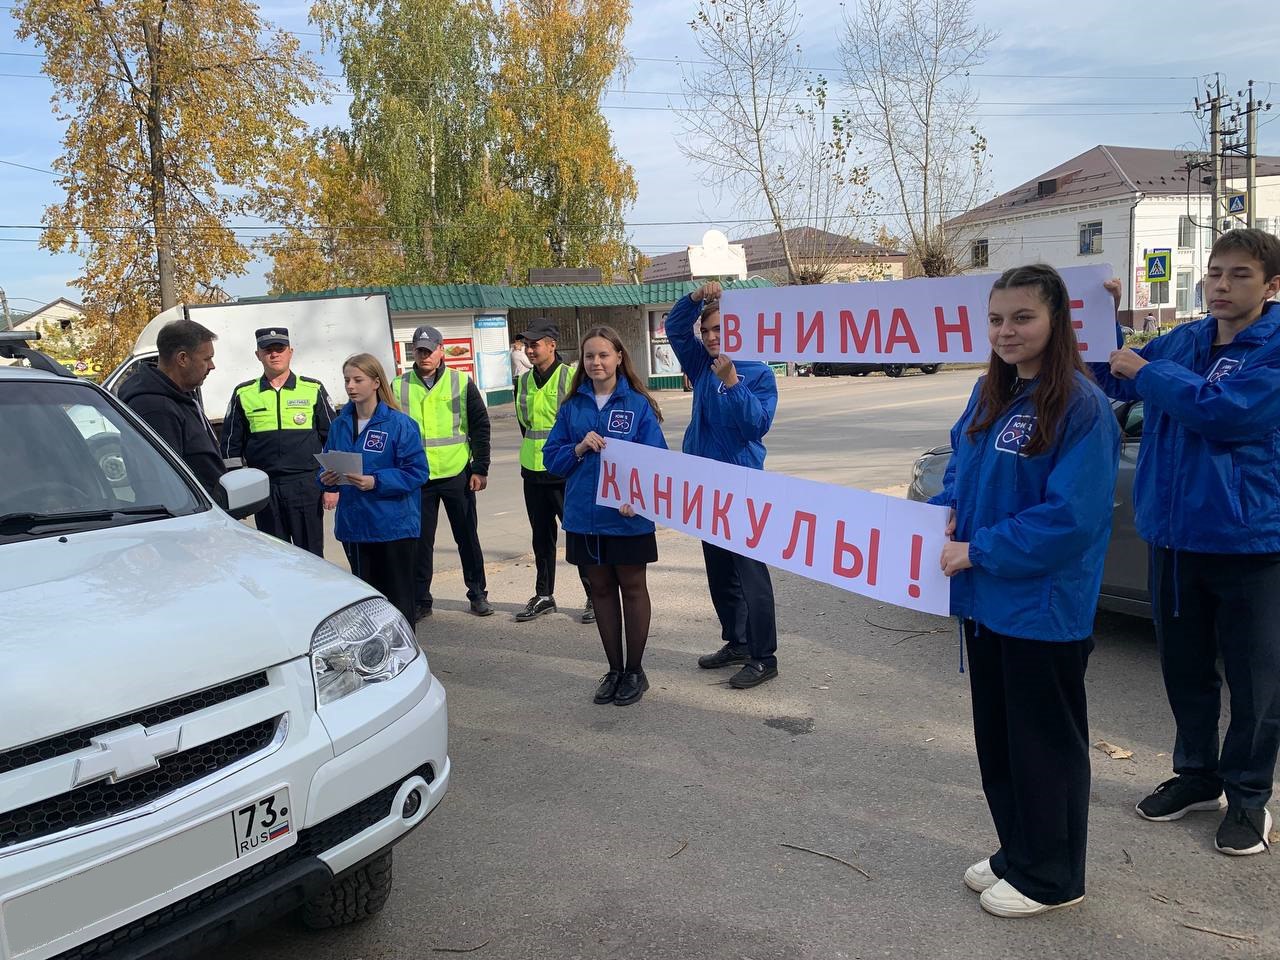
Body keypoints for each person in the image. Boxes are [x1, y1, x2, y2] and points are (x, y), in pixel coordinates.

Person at [933, 263, 1120, 918]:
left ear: (1058, 321)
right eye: (995, 319)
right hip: (987, 603)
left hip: (1043, 610)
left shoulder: (1081, 405)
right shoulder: (993, 393)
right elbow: (961, 461)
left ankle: (1055, 876)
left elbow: (1070, 519)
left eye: (1022, 317)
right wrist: (946, 510)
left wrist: (977, 549)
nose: (1006, 331)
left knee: (1046, 748)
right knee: (1002, 742)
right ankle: (1020, 849)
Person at [1093, 228, 1280, 856]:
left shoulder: (1274, 347)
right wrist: (1101, 325)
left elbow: (1230, 414)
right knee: (1186, 669)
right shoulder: (1189, 338)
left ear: (1272, 286)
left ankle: (1249, 797)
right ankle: (1198, 774)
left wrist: (1148, 370)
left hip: (1252, 543)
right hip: (1173, 538)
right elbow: (1119, 381)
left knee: (1257, 680)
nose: (1222, 285)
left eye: (1240, 275)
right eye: (1215, 272)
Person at [543, 326, 668, 705]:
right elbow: (552, 459)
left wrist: (639, 498)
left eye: (603, 355)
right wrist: (579, 447)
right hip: (584, 516)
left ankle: (635, 671)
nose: (596, 362)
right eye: (590, 356)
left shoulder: (637, 404)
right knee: (599, 590)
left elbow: (656, 462)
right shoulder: (573, 407)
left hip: (627, 517)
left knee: (631, 589)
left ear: (618, 358)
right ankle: (614, 670)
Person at [665, 281, 780, 689]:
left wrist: (732, 382)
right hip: (704, 486)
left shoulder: (758, 373)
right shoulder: (699, 364)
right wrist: (696, 299)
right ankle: (738, 640)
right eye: (708, 330)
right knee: (719, 572)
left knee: (750, 573)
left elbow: (756, 425)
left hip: (742, 485)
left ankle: (765, 656)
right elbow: (675, 328)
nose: (712, 338)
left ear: (738, 331)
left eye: (720, 330)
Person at [319, 353, 428, 625]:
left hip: (392, 527)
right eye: (347, 380)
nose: (350, 386)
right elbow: (327, 462)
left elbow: (417, 472)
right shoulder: (340, 424)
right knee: (366, 604)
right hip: (355, 527)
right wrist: (326, 478)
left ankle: (404, 659)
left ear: (376, 382)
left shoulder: (399, 424)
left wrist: (376, 481)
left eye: (358, 380)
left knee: (398, 603)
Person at [392, 325, 493, 619]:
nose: (423, 355)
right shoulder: (398, 386)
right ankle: (421, 599)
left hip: (455, 473)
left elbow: (480, 427)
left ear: (441, 350)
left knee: (467, 537)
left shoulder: (460, 382)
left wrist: (480, 468)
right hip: (417, 478)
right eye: (419, 350)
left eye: (429, 349)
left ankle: (477, 594)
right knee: (420, 542)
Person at [221, 327, 336, 556]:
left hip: (306, 485)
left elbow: (333, 438)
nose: (274, 354)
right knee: (275, 557)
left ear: (290, 352)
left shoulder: (313, 389)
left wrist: (332, 486)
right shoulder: (243, 393)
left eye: (279, 349)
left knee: (312, 556)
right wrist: (236, 494)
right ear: (258, 355)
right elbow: (230, 446)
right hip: (265, 488)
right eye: (268, 350)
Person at [513, 319, 594, 623]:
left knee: (576, 534)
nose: (530, 349)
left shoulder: (571, 377)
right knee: (541, 538)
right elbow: (526, 426)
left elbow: (582, 423)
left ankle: (593, 594)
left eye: (535, 344)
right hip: (533, 470)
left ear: (552, 345)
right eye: (527, 345)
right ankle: (545, 594)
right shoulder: (521, 381)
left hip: (565, 471)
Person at [120, 318, 225, 500]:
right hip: (188, 519)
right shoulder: (154, 408)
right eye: (207, 359)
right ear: (182, 359)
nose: (212, 366)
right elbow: (161, 484)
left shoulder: (181, 395)